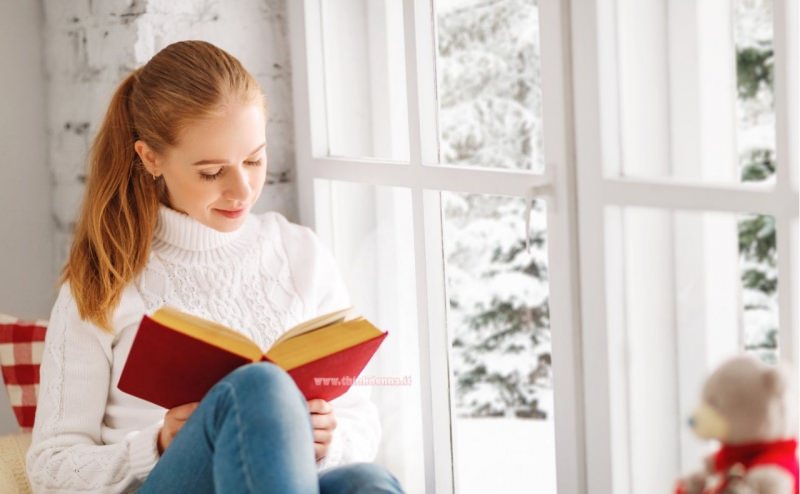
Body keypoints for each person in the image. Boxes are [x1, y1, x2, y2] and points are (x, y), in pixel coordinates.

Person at [25, 40, 404, 494]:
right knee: (259, 388)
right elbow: (50, 466)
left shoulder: (300, 252)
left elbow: (361, 415)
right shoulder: (105, 278)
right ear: (150, 158)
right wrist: (157, 443)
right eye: (211, 172)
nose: (242, 190)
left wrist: (330, 437)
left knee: (368, 481)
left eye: (254, 160)